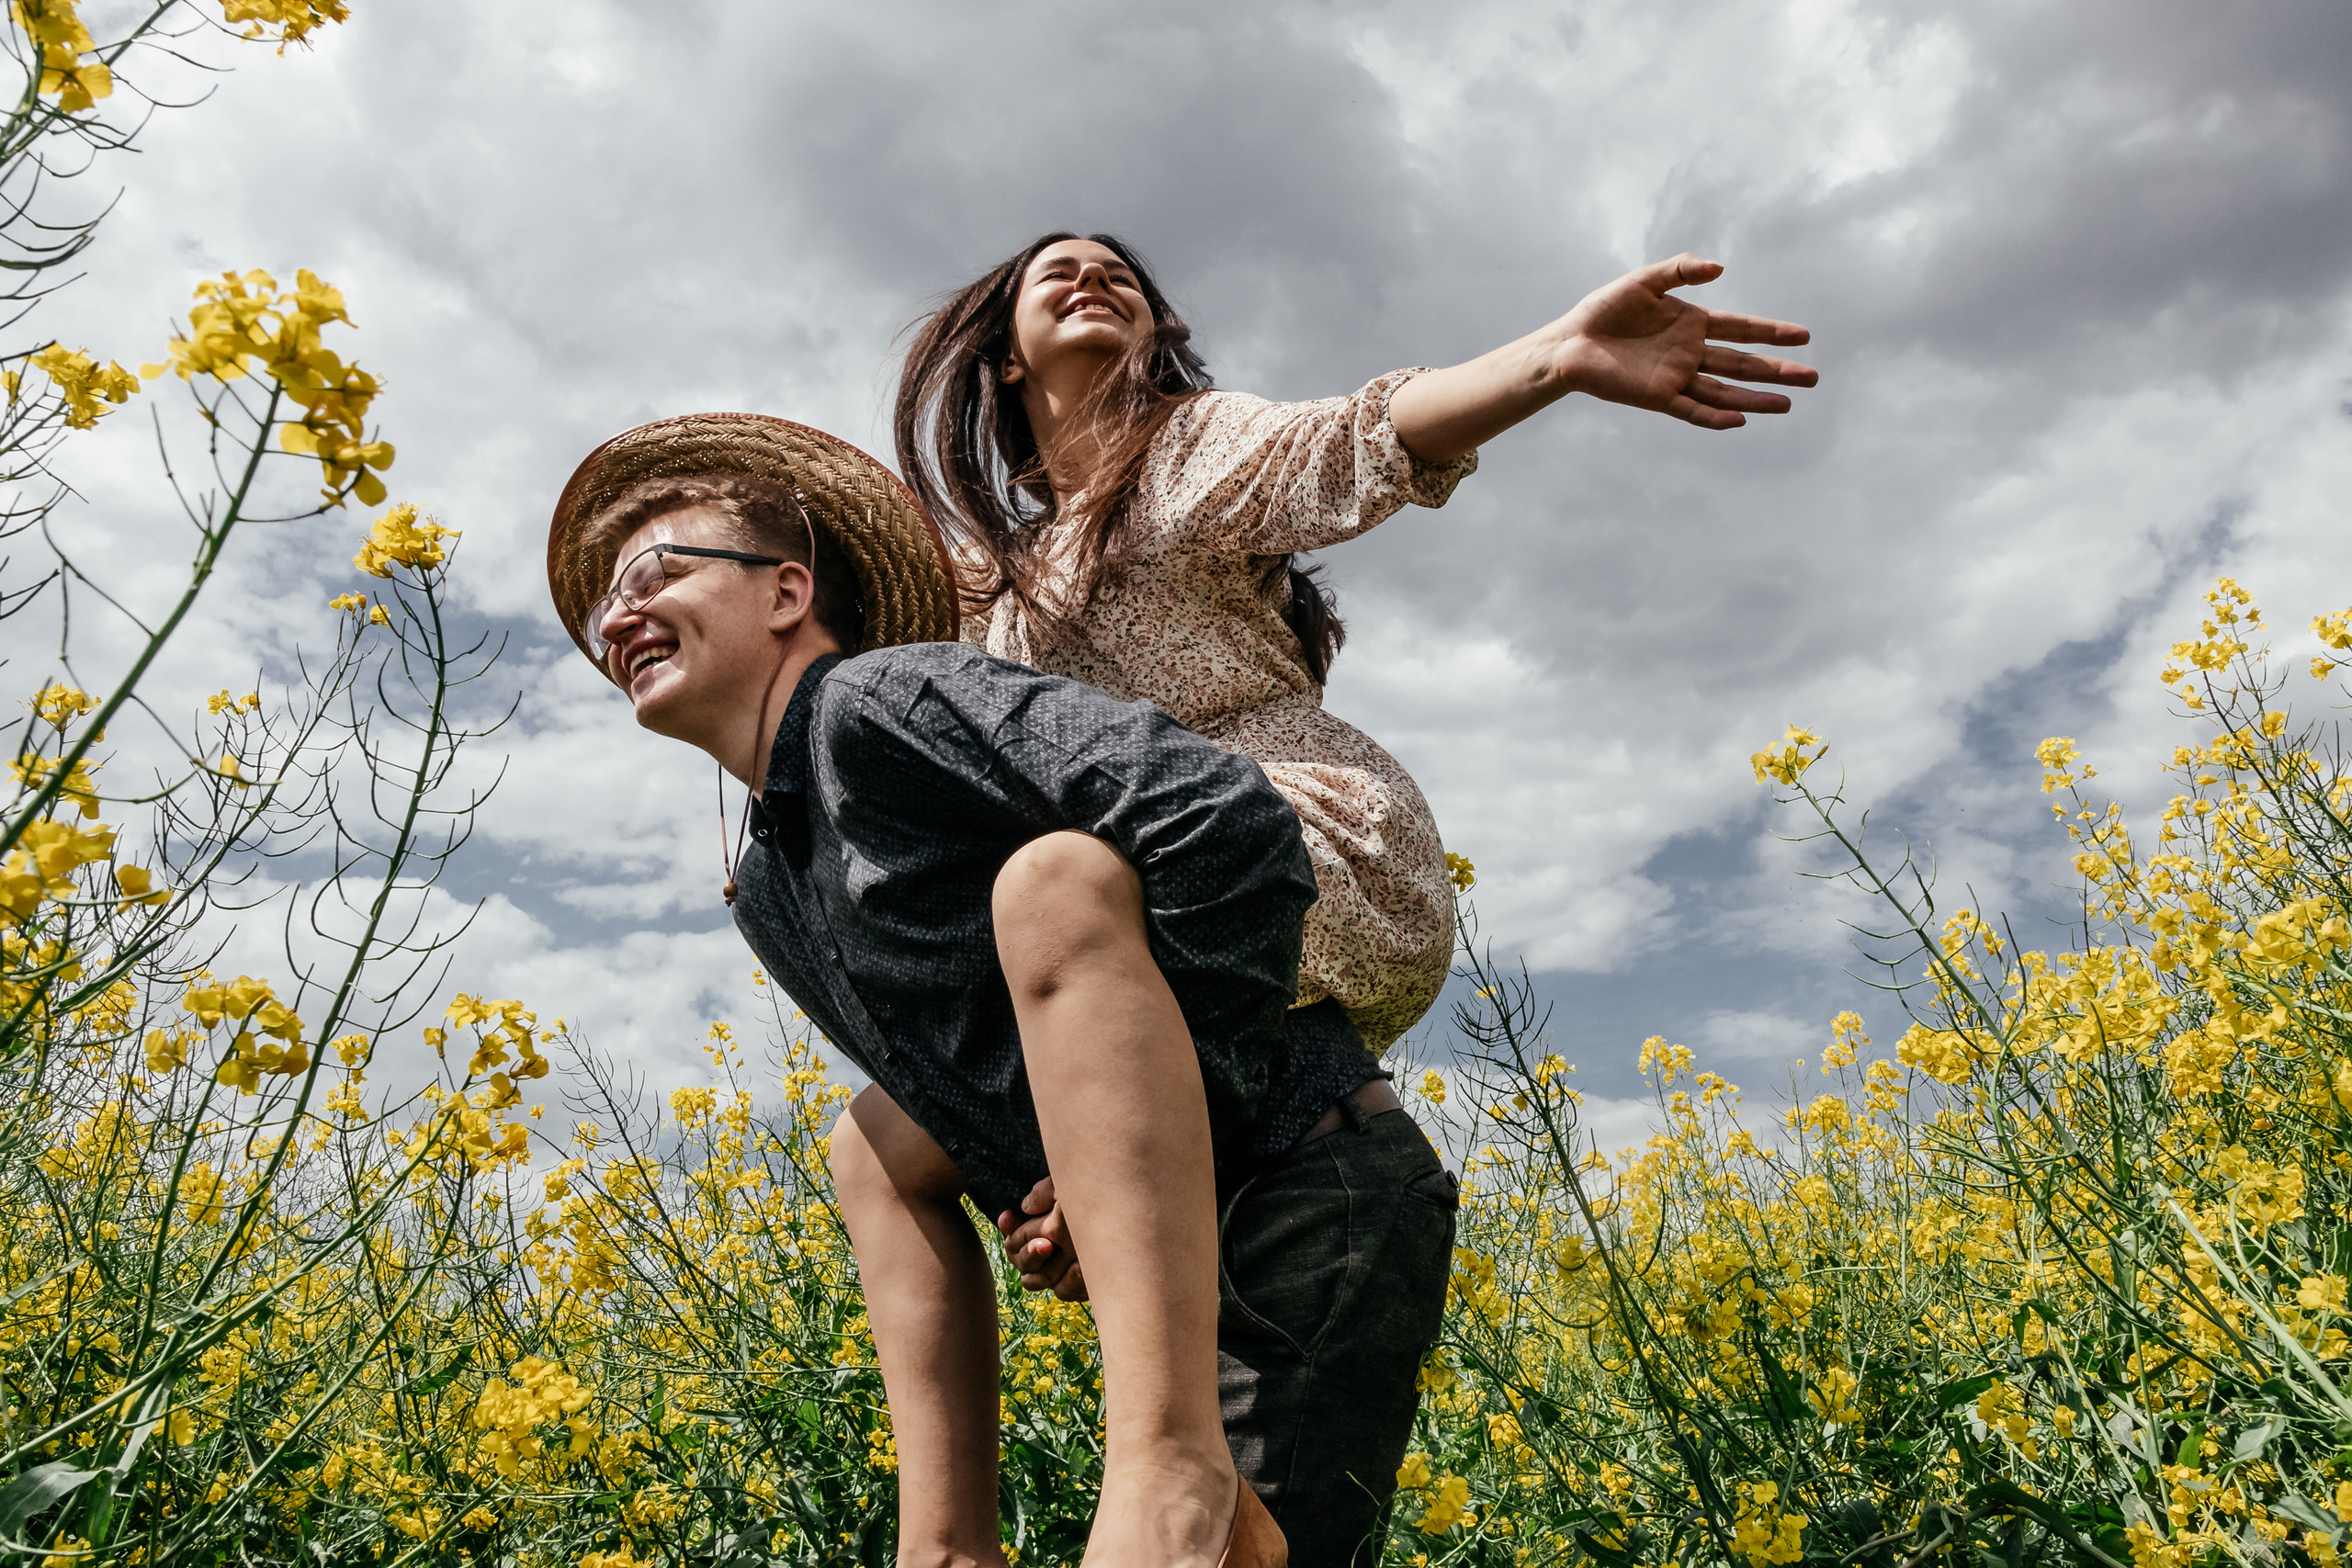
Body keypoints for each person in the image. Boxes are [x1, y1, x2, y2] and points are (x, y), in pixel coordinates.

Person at [893, 233, 1816, 1553]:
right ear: (995, 353)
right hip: (1157, 974)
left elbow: (1357, 437)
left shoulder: (1191, 449)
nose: (1094, 274)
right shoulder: (977, 581)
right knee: (895, 1113)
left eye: (1120, 269)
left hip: (1278, 839)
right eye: (1058, 269)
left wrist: (1553, 359)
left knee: (1065, 887)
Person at [548, 412, 1451, 1568]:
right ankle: (946, 1547)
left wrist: (1181, 1131)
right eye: (599, 609)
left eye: (658, 573)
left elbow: (1217, 819)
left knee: (1053, 883)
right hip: (1176, 1263)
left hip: (1300, 1183)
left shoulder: (880, 700)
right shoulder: (770, 883)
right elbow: (988, 1085)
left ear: (784, 593)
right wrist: (1040, 1185)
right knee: (873, 1137)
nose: (616, 616)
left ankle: (1171, 1467)